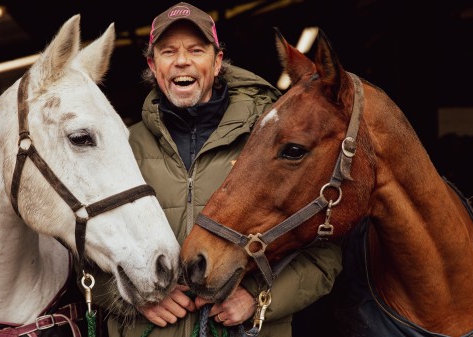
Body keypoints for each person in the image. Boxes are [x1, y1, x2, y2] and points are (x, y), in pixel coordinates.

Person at [85, 2, 342, 336]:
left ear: (217, 62)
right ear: (153, 64)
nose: (182, 60)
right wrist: (135, 295)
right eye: (168, 51)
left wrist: (258, 298)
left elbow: (325, 252)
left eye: (196, 49)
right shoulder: (121, 147)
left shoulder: (274, 143)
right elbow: (83, 257)